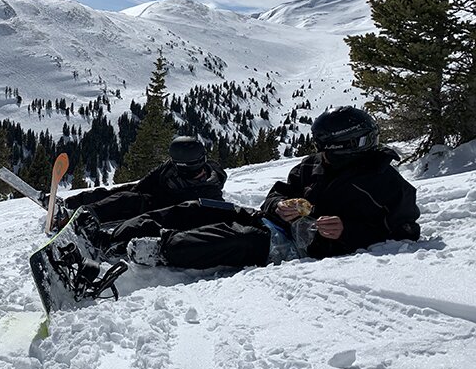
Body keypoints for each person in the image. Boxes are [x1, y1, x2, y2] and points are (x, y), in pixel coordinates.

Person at [98, 106, 421, 269]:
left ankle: (146, 251)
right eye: (320, 145)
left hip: (293, 246)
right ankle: (108, 238)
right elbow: (279, 191)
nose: (322, 152)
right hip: (267, 220)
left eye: (329, 146)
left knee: (230, 239)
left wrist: (348, 230)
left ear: (351, 144)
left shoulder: (386, 182)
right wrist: (278, 205)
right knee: (195, 208)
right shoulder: (314, 164)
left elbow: (405, 228)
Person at [62, 135, 228, 228]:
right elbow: (144, 183)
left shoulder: (208, 193)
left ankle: (80, 218)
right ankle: (71, 203)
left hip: (160, 212)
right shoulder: (171, 167)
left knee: (125, 200)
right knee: (120, 192)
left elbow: (208, 218)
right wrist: (134, 191)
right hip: (153, 197)